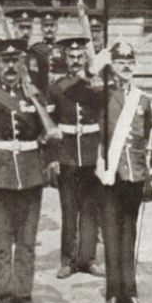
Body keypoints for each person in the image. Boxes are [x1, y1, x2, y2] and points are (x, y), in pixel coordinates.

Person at [0, 39, 59, 303]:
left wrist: (49, 155)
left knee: (27, 243)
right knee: (1, 245)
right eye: (4, 61)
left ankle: (24, 298)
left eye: (14, 61)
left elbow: (49, 136)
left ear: (22, 63)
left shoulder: (35, 97)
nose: (10, 66)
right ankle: (4, 300)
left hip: (31, 178)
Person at [95, 41, 152, 303]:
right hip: (110, 177)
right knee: (110, 235)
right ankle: (112, 295)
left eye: (130, 62)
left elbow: (151, 140)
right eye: (120, 62)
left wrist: (149, 178)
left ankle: (130, 294)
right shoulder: (101, 95)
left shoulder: (142, 100)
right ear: (112, 65)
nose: (126, 66)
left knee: (129, 236)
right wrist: (97, 61)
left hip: (134, 177)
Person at [48, 37, 108, 279]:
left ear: (85, 58)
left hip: (92, 153)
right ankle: (69, 260)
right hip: (67, 153)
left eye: (79, 57)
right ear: (65, 59)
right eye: (71, 57)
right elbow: (49, 124)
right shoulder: (56, 87)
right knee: (69, 209)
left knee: (91, 209)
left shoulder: (96, 86)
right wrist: (52, 157)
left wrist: (104, 153)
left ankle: (89, 259)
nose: (75, 61)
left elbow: (105, 120)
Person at [28, 9, 66, 95]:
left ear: (57, 27)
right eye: (46, 26)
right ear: (41, 28)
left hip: (60, 89)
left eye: (52, 25)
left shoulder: (63, 48)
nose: (49, 29)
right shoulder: (35, 49)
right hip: (42, 90)